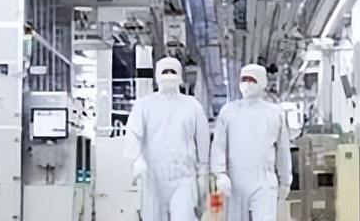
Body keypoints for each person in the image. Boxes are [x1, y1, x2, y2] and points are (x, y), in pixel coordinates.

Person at [123, 57, 211, 221]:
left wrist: (203, 172)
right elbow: (133, 134)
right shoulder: (144, 106)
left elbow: (203, 140)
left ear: (180, 75)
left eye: (173, 71)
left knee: (184, 217)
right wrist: (136, 160)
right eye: (165, 71)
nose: (169, 75)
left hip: (183, 177)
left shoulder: (193, 106)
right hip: (152, 178)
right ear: (157, 75)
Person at [211, 64, 292, 221]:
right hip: (235, 183)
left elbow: (282, 150)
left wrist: (285, 180)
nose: (247, 84)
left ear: (262, 82)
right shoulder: (228, 112)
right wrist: (220, 174)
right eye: (244, 80)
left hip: (264, 181)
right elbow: (219, 146)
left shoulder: (275, 113)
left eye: (252, 80)